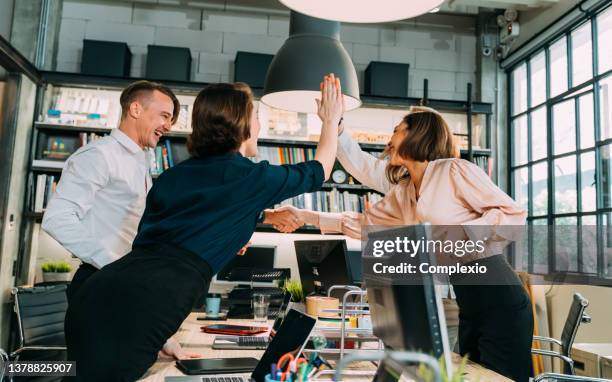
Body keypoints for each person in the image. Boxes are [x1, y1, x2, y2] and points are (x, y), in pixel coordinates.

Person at [64, 74, 344, 381]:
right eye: (257, 118)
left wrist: (257, 219)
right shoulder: (250, 177)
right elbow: (320, 170)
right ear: (242, 125)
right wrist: (330, 121)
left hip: (100, 294)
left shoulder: (174, 176)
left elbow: (174, 233)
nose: (260, 127)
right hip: (145, 306)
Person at [287, 107, 533, 382]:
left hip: (499, 295)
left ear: (418, 134)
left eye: (396, 131)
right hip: (469, 299)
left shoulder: (454, 171)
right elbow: (363, 222)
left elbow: (513, 214)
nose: (388, 140)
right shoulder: (404, 192)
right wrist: (305, 216)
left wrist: (464, 236)